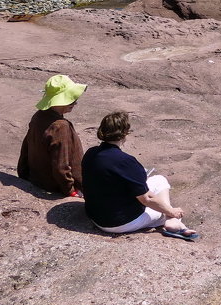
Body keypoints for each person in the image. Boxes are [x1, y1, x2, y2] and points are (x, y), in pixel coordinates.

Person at [81, 111, 199, 240]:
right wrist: (171, 212)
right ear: (125, 133)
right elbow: (147, 199)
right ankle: (173, 222)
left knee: (159, 180)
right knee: (162, 209)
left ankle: (170, 218)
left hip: (95, 215)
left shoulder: (91, 153)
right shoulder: (125, 161)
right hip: (118, 223)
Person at [17, 74, 87, 197]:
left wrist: (23, 173)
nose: (75, 103)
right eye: (71, 99)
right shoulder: (60, 126)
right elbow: (61, 165)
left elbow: (26, 146)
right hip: (55, 185)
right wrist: (70, 190)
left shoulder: (38, 116)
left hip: (37, 179)